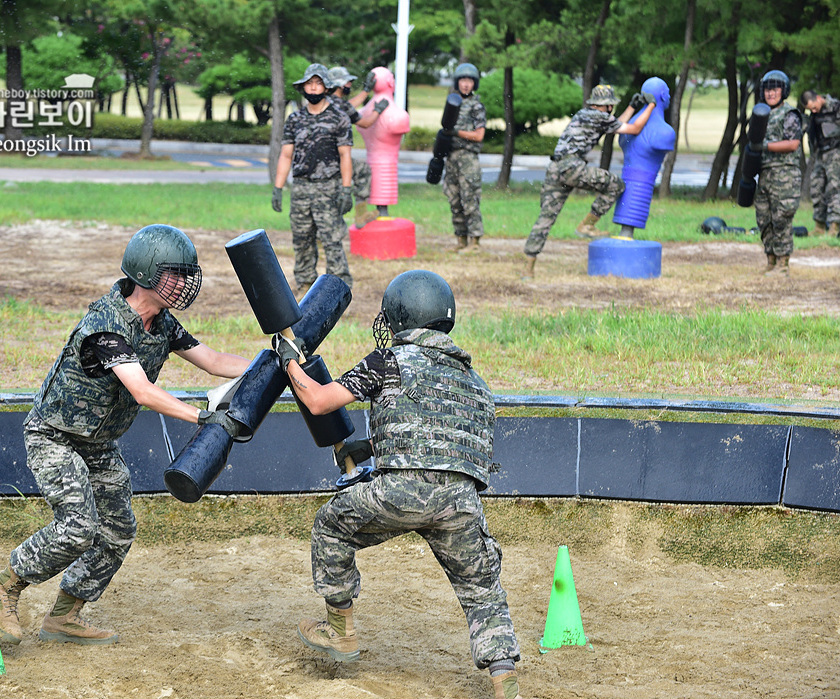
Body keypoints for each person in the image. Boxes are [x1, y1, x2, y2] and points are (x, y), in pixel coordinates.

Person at [0, 224, 251, 646]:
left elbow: (214, 360)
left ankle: (64, 615)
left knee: (117, 530)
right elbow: (142, 390)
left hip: (96, 443)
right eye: (175, 274)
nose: (184, 283)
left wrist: (273, 364)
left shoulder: (161, 322)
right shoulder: (106, 324)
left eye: (186, 274)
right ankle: (3, 588)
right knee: (78, 527)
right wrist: (203, 418)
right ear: (146, 274)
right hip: (55, 436)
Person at [274, 270, 523, 699]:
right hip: (460, 503)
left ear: (399, 317)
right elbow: (443, 443)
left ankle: (341, 631)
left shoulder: (387, 361)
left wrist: (288, 360)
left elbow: (317, 400)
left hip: (400, 492)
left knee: (332, 527)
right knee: (482, 589)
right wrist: (369, 447)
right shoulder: (476, 385)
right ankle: (503, 674)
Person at [522, 84, 655, 279]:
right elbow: (633, 129)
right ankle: (587, 225)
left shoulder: (586, 114)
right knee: (616, 185)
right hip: (572, 167)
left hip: (555, 168)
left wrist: (632, 107)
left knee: (545, 219)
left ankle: (528, 268)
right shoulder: (598, 116)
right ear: (608, 106)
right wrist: (651, 105)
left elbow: (615, 125)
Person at [273, 63, 355, 292]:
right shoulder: (295, 119)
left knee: (332, 239)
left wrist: (346, 189)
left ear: (327, 87)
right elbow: (286, 155)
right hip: (301, 188)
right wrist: (278, 188)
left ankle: (339, 286)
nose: (314, 88)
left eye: (318, 84)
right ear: (303, 88)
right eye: (310, 84)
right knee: (302, 238)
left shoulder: (339, 118)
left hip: (329, 187)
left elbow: (345, 155)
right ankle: (305, 283)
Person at [327, 65, 389, 228]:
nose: (349, 86)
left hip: (322, 157)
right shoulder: (341, 105)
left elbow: (348, 105)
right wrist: (377, 111)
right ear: (340, 85)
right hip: (337, 157)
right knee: (362, 171)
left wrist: (366, 91)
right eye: (347, 83)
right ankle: (361, 215)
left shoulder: (326, 102)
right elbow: (366, 122)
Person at [755, 70, 803, 276]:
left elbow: (793, 144)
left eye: (774, 89)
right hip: (765, 175)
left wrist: (765, 146)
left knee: (781, 220)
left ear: (783, 91)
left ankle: (783, 264)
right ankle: (771, 260)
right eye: (767, 89)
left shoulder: (789, 114)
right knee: (764, 219)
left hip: (785, 176)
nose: (770, 93)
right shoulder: (761, 114)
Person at [443, 63, 488, 254]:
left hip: (468, 159)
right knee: (454, 199)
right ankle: (461, 240)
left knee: (469, 199)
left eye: (470, 80)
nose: (466, 84)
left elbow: (479, 135)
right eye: (463, 80)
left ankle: (475, 242)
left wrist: (457, 133)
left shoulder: (476, 106)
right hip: (451, 158)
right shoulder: (451, 103)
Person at [799, 89, 840, 237]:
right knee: (816, 187)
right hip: (820, 154)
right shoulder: (814, 115)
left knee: (835, 189)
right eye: (810, 110)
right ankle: (819, 226)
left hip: (835, 153)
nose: (814, 111)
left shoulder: (835, 107)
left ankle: (835, 227)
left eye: (814, 107)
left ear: (818, 98)